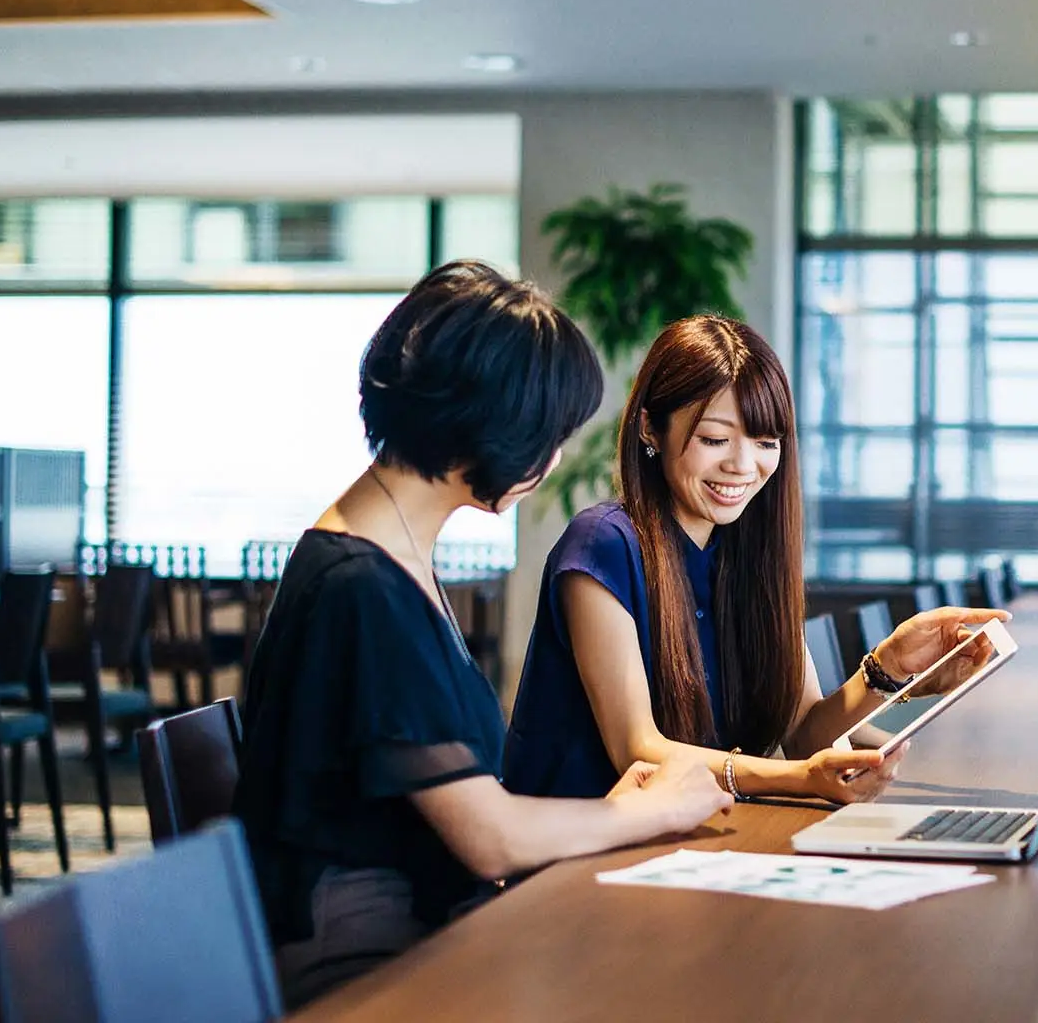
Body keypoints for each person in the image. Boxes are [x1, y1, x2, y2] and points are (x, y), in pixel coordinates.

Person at [234, 263, 731, 1008]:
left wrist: (614, 812)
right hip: (367, 961)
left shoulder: (386, 553)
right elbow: (488, 838)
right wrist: (655, 809)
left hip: (428, 919)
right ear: (495, 425)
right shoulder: (361, 587)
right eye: (552, 434)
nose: (556, 458)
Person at [504, 314, 1008, 803]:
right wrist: (799, 779)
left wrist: (888, 669)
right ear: (649, 431)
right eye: (714, 439)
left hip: (688, 842)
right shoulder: (602, 544)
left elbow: (805, 734)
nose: (743, 466)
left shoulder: (748, 553)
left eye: (766, 442)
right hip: (576, 860)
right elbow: (639, 752)